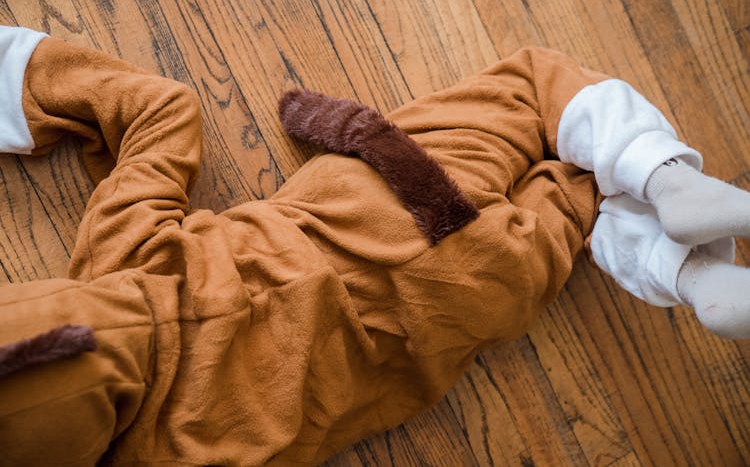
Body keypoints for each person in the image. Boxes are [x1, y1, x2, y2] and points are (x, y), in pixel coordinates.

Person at [0, 25, 747, 466]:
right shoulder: (122, 260)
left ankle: (684, 274)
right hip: (393, 197)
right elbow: (156, 111)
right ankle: (667, 177)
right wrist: (21, 74)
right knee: (533, 85)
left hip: (461, 303)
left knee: (582, 208)